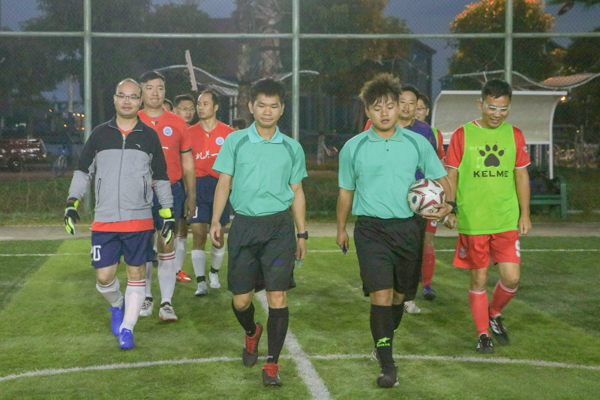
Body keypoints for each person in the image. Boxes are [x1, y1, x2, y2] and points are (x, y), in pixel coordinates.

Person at [336, 74, 452, 388]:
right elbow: (346, 192)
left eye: (390, 105)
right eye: (377, 108)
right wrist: (341, 228)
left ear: (399, 107)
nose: (384, 112)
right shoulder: (353, 147)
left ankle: (384, 340)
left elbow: (441, 178)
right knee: (381, 295)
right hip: (371, 230)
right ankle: (388, 365)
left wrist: (449, 204)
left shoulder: (417, 142)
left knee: (399, 296)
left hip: (409, 228)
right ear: (367, 111)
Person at [209, 78, 307, 387]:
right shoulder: (235, 141)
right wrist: (216, 220)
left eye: (273, 106)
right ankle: (252, 332)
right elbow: (224, 182)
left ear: (282, 109)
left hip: (279, 229)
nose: (267, 111)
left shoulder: (292, 147)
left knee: (278, 296)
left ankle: (272, 364)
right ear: (251, 107)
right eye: (261, 105)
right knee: (241, 301)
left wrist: (302, 233)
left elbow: (297, 191)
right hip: (244, 227)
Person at [63, 78, 174, 350]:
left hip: (140, 219)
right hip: (105, 219)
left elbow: (161, 177)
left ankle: (127, 328)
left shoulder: (149, 136)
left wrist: (168, 213)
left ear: (140, 101)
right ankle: (117, 303)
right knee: (104, 277)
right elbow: (83, 170)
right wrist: (72, 202)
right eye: (122, 95)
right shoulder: (100, 134)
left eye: (133, 97)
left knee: (137, 274)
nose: (127, 101)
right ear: (114, 99)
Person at [444, 79, 531, 354]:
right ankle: (483, 334)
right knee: (479, 280)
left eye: (503, 109)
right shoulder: (462, 134)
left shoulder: (515, 135)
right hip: (474, 220)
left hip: (505, 218)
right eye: (492, 108)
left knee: (512, 278)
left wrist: (525, 213)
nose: (497, 114)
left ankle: (494, 313)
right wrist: (451, 207)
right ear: (480, 104)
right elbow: (452, 174)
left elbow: (521, 175)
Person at [365, 84, 440, 314]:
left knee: (417, 249)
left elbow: (435, 165)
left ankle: (409, 294)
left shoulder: (426, 131)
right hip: (387, 199)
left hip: (419, 201)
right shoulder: (378, 125)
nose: (407, 107)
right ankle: (387, 292)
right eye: (403, 102)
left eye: (412, 103)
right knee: (386, 252)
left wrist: (440, 199)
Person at [137, 70, 196, 322]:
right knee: (142, 246)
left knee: (167, 243)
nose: (155, 93)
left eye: (160, 88)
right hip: (138, 193)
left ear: (165, 91)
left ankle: (167, 303)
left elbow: (188, 163)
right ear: (141, 91)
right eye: (150, 87)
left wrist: (191, 195)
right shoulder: (131, 120)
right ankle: (147, 297)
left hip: (169, 193)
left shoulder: (177, 122)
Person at [187, 89, 234, 295]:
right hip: (197, 187)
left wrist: (233, 182)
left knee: (217, 235)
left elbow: (236, 163)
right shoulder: (189, 133)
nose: (200, 107)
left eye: (205, 104)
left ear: (215, 107)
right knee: (198, 234)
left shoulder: (229, 134)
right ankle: (200, 282)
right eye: (198, 104)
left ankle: (214, 272)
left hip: (219, 187)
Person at [414, 93, 446, 302]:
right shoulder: (397, 129)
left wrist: (443, 196)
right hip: (404, 195)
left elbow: (441, 165)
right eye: (412, 106)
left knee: (427, 239)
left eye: (420, 108)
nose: (415, 111)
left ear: (427, 111)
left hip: (428, 195)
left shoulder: (434, 134)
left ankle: (427, 285)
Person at [171, 93, 198, 284]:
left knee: (182, 228)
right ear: (175, 110)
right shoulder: (169, 129)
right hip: (170, 183)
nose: (188, 112)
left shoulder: (196, 131)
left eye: (191, 109)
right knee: (165, 228)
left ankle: (177, 270)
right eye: (183, 108)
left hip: (189, 184)